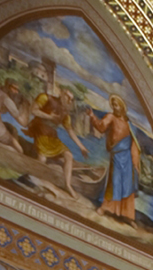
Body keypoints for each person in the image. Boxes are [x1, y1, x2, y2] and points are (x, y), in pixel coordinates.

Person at [26, 87, 88, 193]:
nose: (69, 100)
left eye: (71, 99)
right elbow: (33, 110)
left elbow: (70, 131)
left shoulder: (65, 114)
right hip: (40, 131)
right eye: (67, 97)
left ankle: (67, 185)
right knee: (42, 159)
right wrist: (49, 117)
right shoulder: (46, 98)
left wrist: (82, 147)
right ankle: (31, 175)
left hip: (52, 136)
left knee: (68, 155)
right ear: (62, 94)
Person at [92, 95, 141, 223]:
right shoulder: (111, 117)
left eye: (117, 105)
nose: (115, 107)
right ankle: (105, 207)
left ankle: (127, 215)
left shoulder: (129, 124)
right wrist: (92, 117)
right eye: (113, 105)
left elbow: (134, 143)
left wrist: (135, 162)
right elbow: (101, 127)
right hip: (117, 156)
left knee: (127, 186)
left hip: (128, 158)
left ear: (122, 107)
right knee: (114, 182)